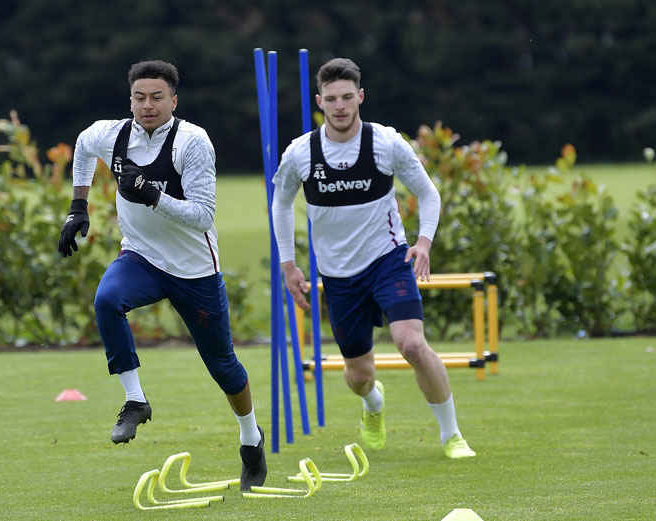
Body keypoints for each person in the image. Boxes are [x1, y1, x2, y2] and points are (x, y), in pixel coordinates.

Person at [58, 60, 267, 489]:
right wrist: (78, 206)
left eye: (157, 97)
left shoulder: (192, 143)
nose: (147, 105)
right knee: (106, 300)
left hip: (194, 270)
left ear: (174, 100)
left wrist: (153, 195)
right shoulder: (112, 134)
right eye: (139, 97)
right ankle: (135, 401)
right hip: (142, 258)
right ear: (130, 99)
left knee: (224, 367)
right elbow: (81, 145)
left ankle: (250, 439)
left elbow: (203, 215)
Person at [271, 57, 475, 459]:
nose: (341, 106)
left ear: (360, 96)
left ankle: (452, 436)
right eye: (332, 99)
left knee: (412, 345)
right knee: (360, 376)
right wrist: (289, 265)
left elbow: (428, 193)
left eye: (348, 97)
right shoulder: (301, 153)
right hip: (338, 275)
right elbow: (280, 205)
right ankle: (373, 403)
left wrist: (424, 243)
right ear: (320, 102)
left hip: (388, 260)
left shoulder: (386, 143)